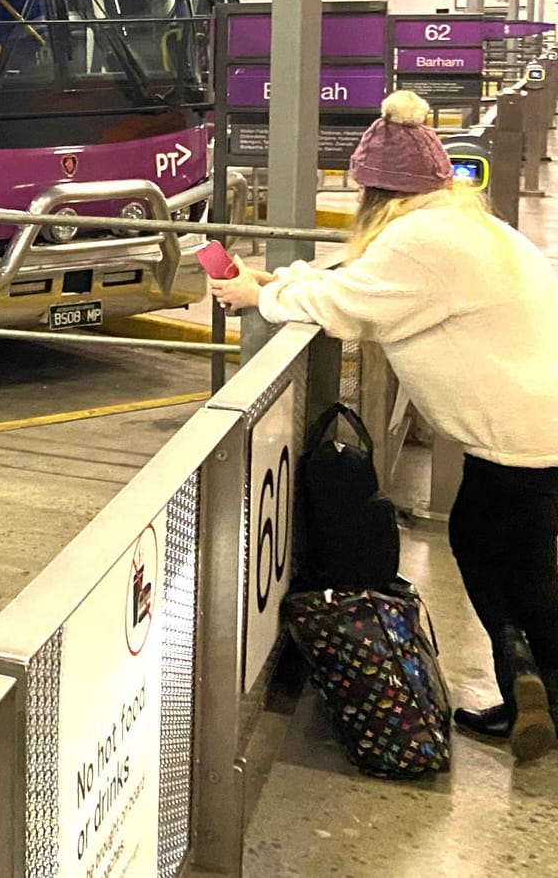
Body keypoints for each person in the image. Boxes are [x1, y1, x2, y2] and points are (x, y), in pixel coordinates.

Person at [210, 90, 558, 764]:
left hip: (523, 432)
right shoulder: (460, 223)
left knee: (515, 565)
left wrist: (262, 296)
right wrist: (284, 278)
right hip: (530, 422)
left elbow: (354, 306)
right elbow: (363, 280)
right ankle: (525, 681)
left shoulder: (419, 240)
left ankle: (536, 682)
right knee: (499, 551)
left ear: (374, 192)